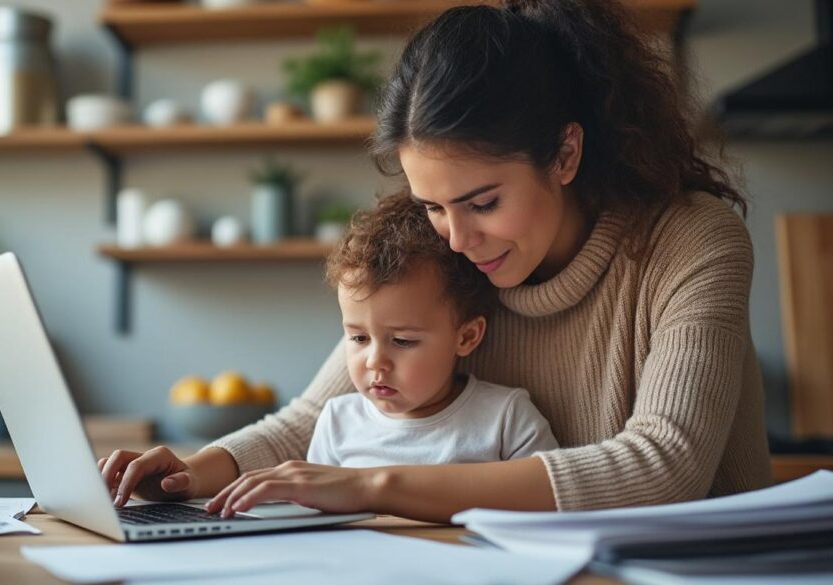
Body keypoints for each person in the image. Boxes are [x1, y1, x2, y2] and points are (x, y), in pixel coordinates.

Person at [99, 0, 772, 522]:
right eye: (432, 206)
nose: (456, 238)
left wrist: (372, 484)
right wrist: (191, 472)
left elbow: (663, 466)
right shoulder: (452, 263)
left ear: (566, 154)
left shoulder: (691, 240)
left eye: (482, 201)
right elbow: (309, 422)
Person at [306, 194, 558, 470]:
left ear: (467, 337)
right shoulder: (336, 422)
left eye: (402, 341)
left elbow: (548, 501)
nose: (374, 361)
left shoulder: (505, 419)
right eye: (358, 338)